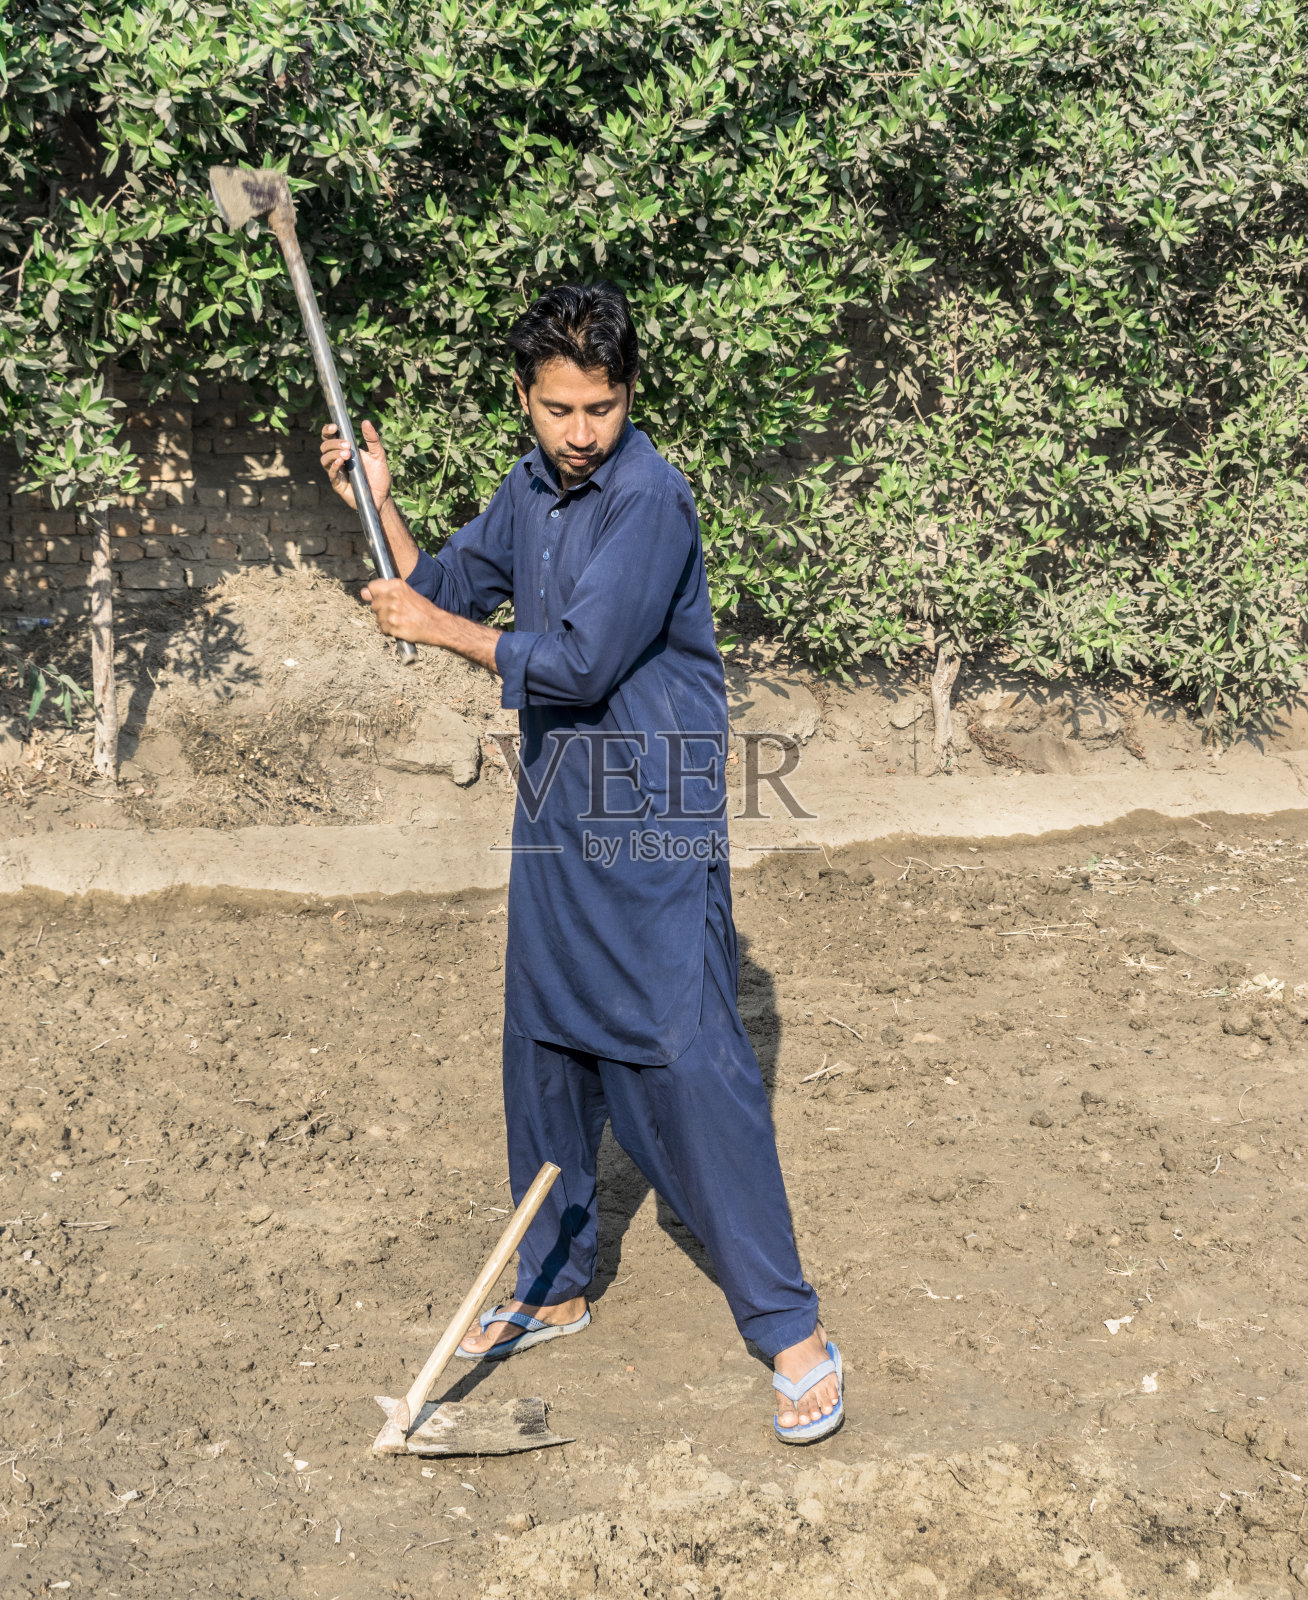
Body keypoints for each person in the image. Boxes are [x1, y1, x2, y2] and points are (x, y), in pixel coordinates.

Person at [318, 281, 842, 1442]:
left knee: (689, 1061)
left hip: (652, 807)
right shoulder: (527, 492)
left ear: (627, 395)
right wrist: (382, 510)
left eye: (600, 406)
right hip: (559, 801)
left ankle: (791, 1326)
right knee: (545, 1048)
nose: (581, 430)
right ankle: (551, 1286)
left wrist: (440, 631)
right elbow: (439, 591)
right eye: (558, 408)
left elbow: (580, 662)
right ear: (525, 400)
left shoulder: (649, 498)